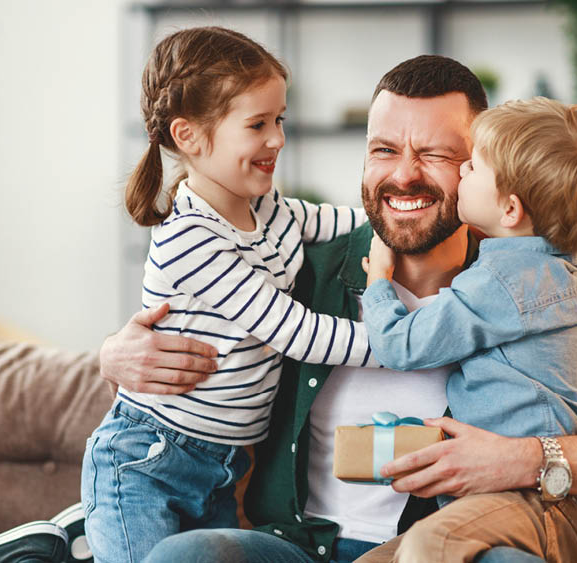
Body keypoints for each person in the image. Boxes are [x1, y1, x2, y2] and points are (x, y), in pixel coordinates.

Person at [0, 55, 577, 563]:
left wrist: (530, 459)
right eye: (381, 149)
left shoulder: (533, 300)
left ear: (487, 175)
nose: (404, 175)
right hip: (296, 547)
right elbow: (185, 324)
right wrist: (114, 354)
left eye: (437, 154)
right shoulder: (298, 268)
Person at [83, 26, 376, 563]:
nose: (278, 139)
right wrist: (400, 343)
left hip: (222, 467)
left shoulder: (269, 208)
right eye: (258, 125)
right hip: (149, 460)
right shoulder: (190, 239)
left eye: (280, 120)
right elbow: (293, 330)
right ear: (190, 136)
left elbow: (352, 223)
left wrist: (428, 218)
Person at [357, 96, 577, 561]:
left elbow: (400, 345)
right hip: (528, 505)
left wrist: (379, 281)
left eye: (471, 167)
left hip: (534, 503)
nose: (462, 173)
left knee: (432, 543)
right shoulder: (565, 269)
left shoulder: (505, 283)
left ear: (509, 210)